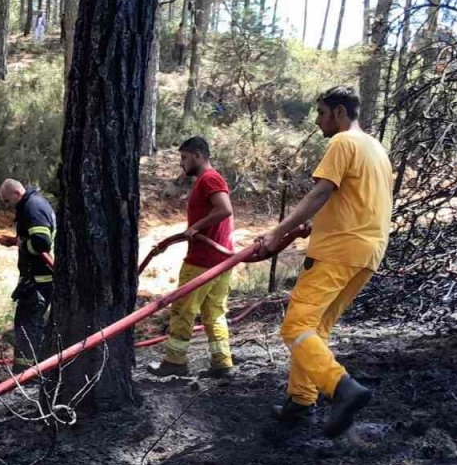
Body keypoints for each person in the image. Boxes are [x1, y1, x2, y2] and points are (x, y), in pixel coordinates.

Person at [257, 86, 392, 438]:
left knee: (295, 327)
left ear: (340, 112)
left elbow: (320, 192)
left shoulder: (343, 142)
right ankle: (301, 401)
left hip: (337, 252)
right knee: (315, 330)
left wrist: (276, 232)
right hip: (367, 253)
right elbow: (359, 203)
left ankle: (342, 388)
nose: (317, 121)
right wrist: (313, 226)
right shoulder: (375, 148)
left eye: (321, 113)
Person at [147, 136, 237, 380]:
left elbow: (224, 209)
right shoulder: (209, 180)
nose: (181, 163)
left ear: (198, 155)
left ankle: (175, 361)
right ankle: (222, 363)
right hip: (220, 261)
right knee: (214, 313)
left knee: (182, 309)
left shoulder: (209, 179)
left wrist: (196, 227)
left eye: (184, 157)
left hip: (202, 260)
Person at [0, 179, 56, 372]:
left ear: (16, 193)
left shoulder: (32, 208)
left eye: (7, 201)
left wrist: (20, 243)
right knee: (31, 323)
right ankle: (37, 367)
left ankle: (26, 372)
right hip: (39, 277)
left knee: (27, 324)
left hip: (39, 280)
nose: (7, 206)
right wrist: (16, 241)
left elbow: (41, 243)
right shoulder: (35, 204)